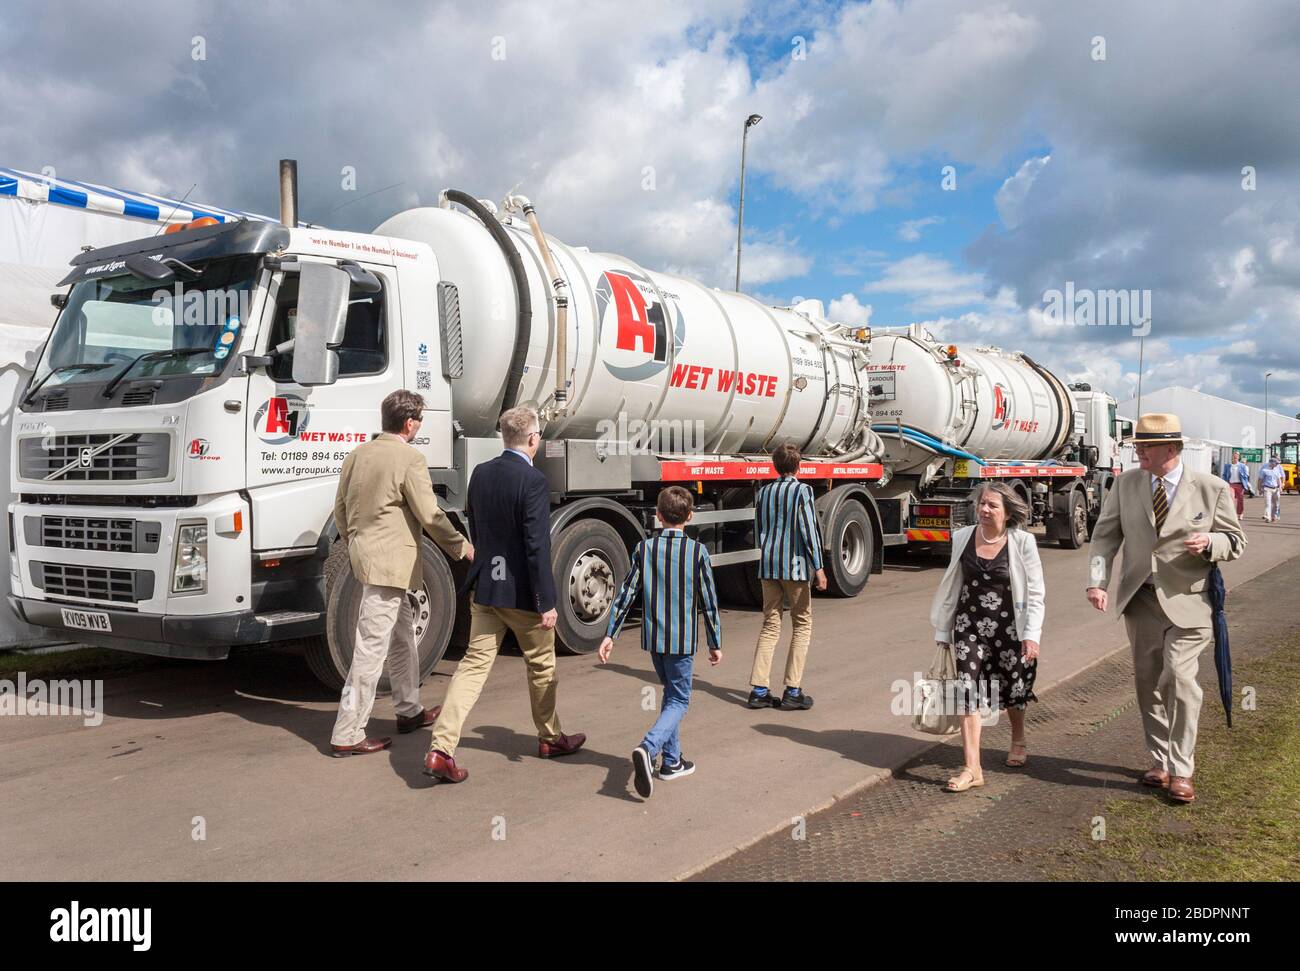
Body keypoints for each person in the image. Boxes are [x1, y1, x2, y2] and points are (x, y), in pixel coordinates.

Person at [1087, 413, 1245, 804]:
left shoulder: (1211, 488)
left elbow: (1235, 540)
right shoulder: (1125, 485)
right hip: (1141, 601)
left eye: (1146, 445)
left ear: (1172, 448)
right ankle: (1159, 761)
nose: (1138, 451)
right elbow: (1104, 537)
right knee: (1148, 682)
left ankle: (1182, 769)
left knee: (1178, 678)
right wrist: (1096, 581)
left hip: (1191, 602)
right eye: (1136, 444)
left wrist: (1211, 541)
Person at [424, 406, 585, 783]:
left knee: (472, 667)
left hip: (486, 589)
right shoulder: (532, 481)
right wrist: (546, 602)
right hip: (523, 596)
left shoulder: (480, 473)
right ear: (532, 439)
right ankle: (549, 737)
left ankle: (440, 748)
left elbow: (476, 529)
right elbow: (536, 547)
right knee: (542, 668)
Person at [330, 389, 473, 757]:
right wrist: (461, 546)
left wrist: (359, 545)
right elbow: (430, 514)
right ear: (409, 423)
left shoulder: (358, 455)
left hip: (369, 560)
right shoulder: (410, 458)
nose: (420, 425)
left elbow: (342, 510)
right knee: (370, 649)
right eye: (420, 419)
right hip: (392, 565)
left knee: (402, 637)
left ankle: (408, 710)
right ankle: (347, 732)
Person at [598, 487, 722, 799]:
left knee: (671, 696)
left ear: (658, 515)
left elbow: (627, 593)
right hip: (682, 641)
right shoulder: (698, 552)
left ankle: (671, 762)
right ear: (690, 517)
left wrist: (611, 633)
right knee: (680, 701)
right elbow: (709, 601)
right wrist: (715, 642)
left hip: (655, 639)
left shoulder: (644, 549)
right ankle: (648, 747)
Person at [928, 482, 1045, 792]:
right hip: (969, 626)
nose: (984, 509)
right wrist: (944, 630)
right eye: (982, 503)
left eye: (992, 505)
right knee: (966, 692)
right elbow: (953, 584)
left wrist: (1031, 635)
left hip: (1010, 627)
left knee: (1013, 688)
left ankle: (1018, 737)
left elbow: (1035, 593)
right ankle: (972, 768)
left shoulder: (1022, 543)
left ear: (1007, 513)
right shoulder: (963, 537)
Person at [747, 442, 827, 711]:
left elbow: (759, 528)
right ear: (799, 465)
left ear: (775, 465)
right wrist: (819, 567)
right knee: (802, 624)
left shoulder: (764, 492)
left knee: (770, 624)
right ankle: (793, 689)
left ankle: (759, 689)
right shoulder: (802, 491)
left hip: (768, 566)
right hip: (794, 568)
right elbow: (808, 529)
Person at [1221, 451, 1251, 518]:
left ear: (1238, 457)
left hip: (1240, 485)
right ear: (1232, 457)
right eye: (1234, 456)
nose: (1235, 458)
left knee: (1240, 500)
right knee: (1231, 498)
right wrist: (1224, 482)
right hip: (1231, 485)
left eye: (1237, 456)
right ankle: (1232, 513)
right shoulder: (1227, 465)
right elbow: (1224, 475)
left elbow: (1245, 476)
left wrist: (1245, 484)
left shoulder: (1242, 466)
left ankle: (1240, 513)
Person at [1258, 455, 1284, 523]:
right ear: (1272, 463)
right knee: (1268, 503)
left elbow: (1279, 480)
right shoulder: (1264, 470)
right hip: (1267, 488)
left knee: (1276, 504)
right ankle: (1268, 517)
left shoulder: (1277, 470)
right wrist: (1259, 489)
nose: (1277, 465)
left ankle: (1274, 516)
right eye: (1276, 463)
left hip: (1276, 489)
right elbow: (1260, 480)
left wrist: (1280, 487)